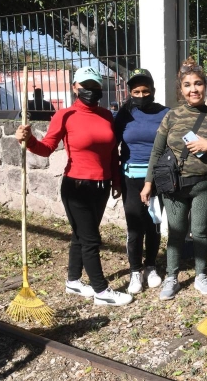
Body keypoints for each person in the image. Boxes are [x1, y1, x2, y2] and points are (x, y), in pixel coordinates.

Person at [15, 66, 132, 306]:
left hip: (101, 186)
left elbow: (112, 152)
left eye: (95, 87)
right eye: (86, 86)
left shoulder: (106, 115)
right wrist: (29, 140)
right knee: (90, 239)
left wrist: (116, 181)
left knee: (80, 235)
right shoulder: (65, 115)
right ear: (75, 88)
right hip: (76, 187)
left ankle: (73, 281)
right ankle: (101, 291)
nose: (91, 91)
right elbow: (46, 148)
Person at [141, 57, 207, 301]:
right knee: (177, 231)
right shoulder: (171, 117)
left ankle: (201, 275)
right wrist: (148, 183)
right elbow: (157, 152)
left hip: (205, 184)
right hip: (175, 185)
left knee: (200, 232)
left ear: (205, 86)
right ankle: (172, 277)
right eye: (188, 85)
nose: (194, 89)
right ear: (181, 90)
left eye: (198, 84)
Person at [114, 69, 169, 294]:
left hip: (157, 179)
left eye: (145, 90)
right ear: (130, 92)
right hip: (131, 179)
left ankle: (151, 267)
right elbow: (111, 145)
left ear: (153, 91)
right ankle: (135, 271)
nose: (141, 94)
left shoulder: (165, 114)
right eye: (136, 91)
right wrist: (115, 179)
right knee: (134, 227)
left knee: (153, 226)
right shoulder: (123, 115)